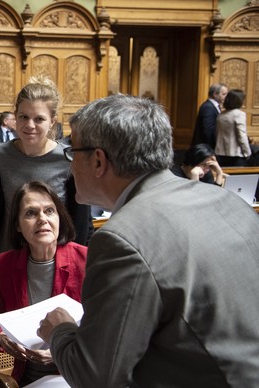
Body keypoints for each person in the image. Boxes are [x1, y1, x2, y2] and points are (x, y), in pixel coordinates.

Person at [37, 94, 259, 387]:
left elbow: (95, 376)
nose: (70, 164)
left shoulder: (120, 239)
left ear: (99, 160)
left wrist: (60, 331)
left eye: (72, 152)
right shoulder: (226, 200)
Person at [0, 76, 93, 270]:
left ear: (52, 122)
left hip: (55, 263)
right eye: (23, 117)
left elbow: (82, 220)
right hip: (8, 258)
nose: (30, 125)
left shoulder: (68, 158)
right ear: (15, 116)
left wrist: (76, 263)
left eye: (39, 119)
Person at [0, 181, 87, 385]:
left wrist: (59, 352)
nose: (42, 219)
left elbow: (106, 330)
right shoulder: (4, 265)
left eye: (49, 211)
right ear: (17, 225)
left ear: (59, 218)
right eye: (31, 213)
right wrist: (0, 337)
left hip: (79, 373)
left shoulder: (85, 259)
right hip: (29, 378)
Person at [215, 89, 251, 167]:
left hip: (220, 153)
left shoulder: (221, 115)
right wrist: (247, 152)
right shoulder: (239, 114)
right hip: (235, 154)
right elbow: (242, 136)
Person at [190, 83, 228, 149]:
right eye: (224, 94)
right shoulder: (208, 107)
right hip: (207, 147)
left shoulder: (212, 106)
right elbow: (208, 130)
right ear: (215, 94)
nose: (226, 97)